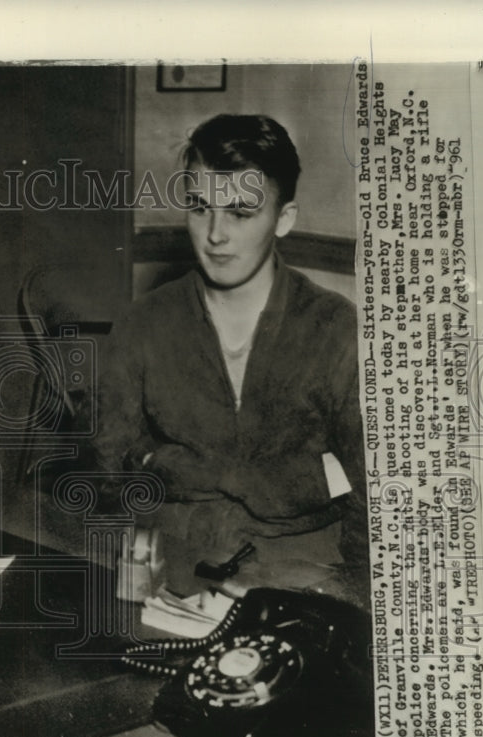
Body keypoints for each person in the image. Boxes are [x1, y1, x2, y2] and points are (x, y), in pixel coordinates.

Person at [92, 114, 367, 603]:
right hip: (170, 570)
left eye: (240, 213)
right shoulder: (143, 322)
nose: (215, 234)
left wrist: (348, 598)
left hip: (302, 576)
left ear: (284, 219)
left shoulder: (335, 327)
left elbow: (376, 490)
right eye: (200, 208)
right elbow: (106, 471)